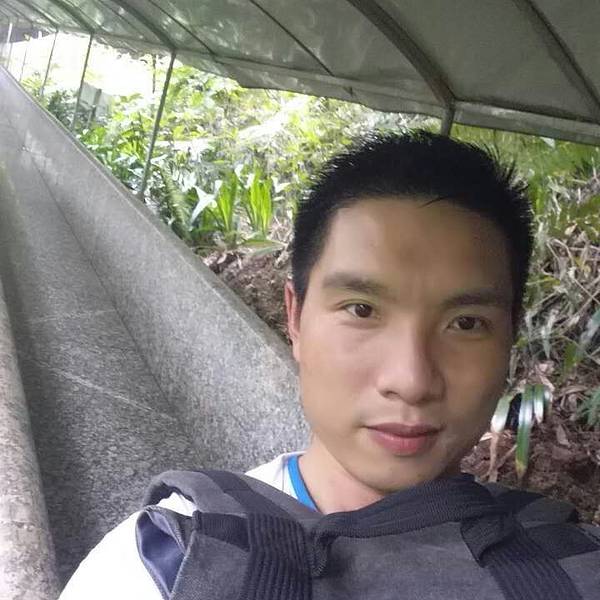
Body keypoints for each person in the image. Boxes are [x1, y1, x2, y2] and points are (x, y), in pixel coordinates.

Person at [60, 129, 537, 598]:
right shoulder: (162, 565)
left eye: (466, 323)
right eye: (361, 310)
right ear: (295, 317)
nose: (411, 380)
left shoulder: (560, 561)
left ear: (511, 334)